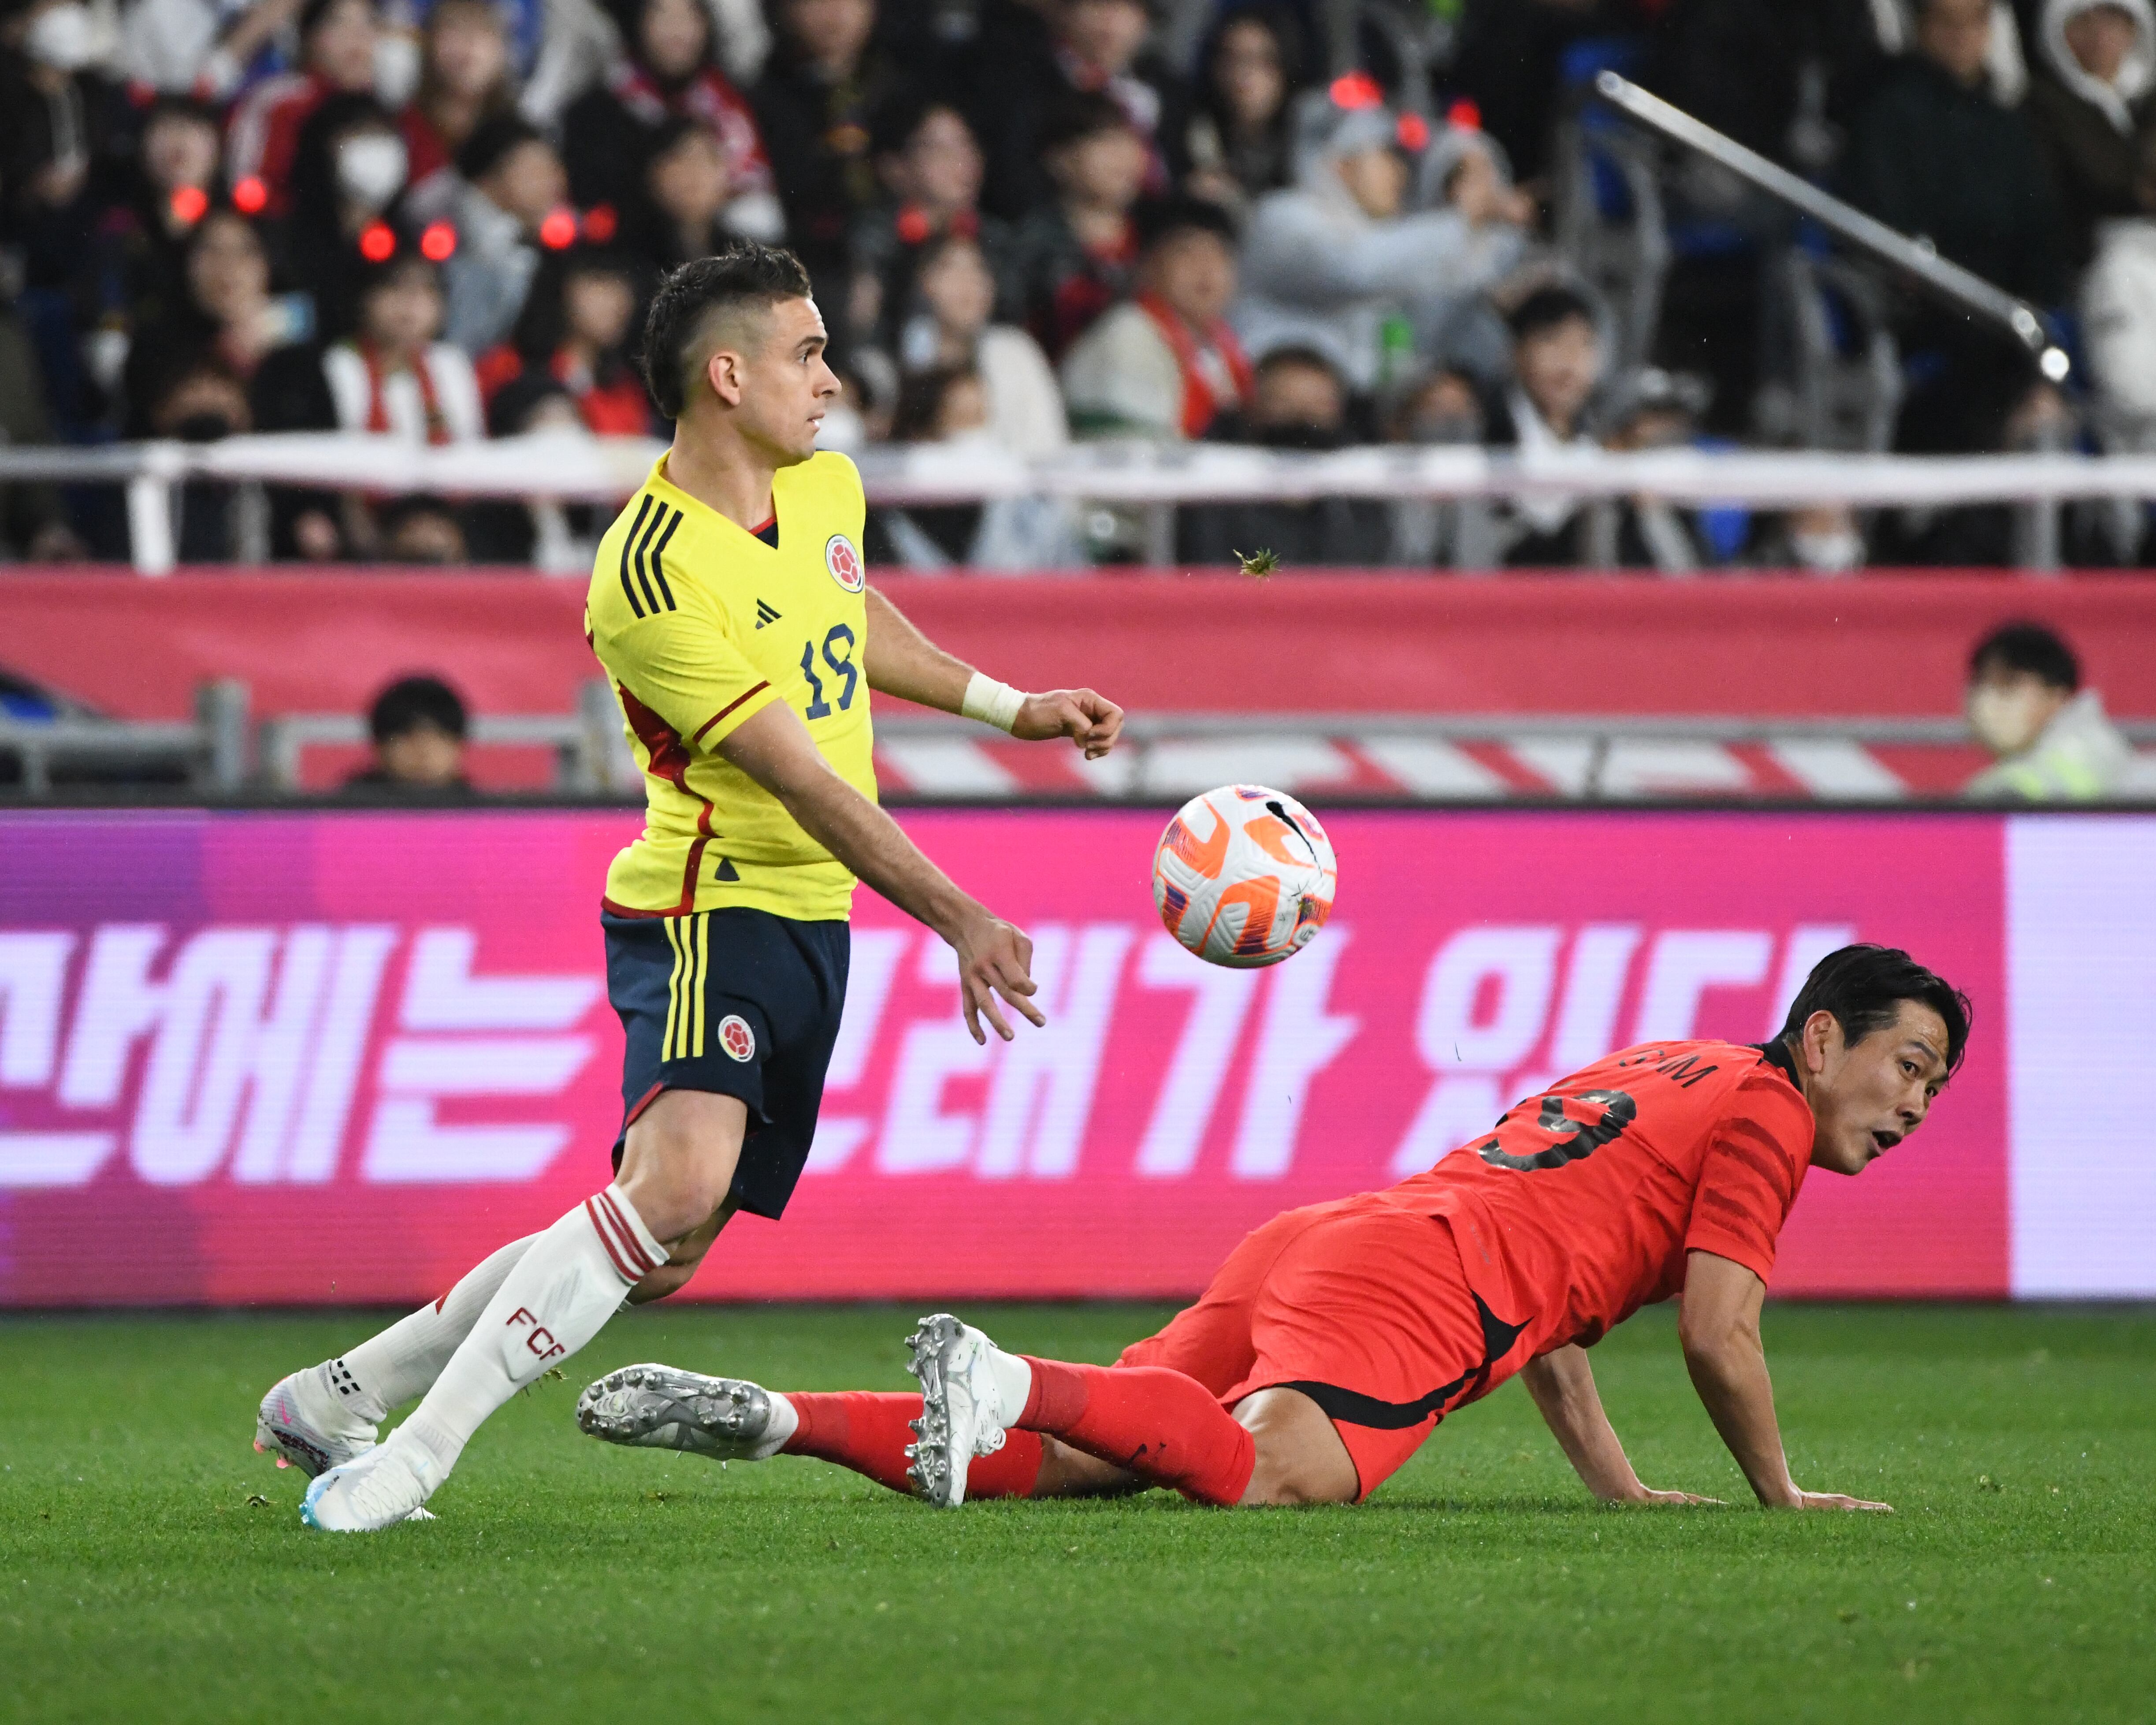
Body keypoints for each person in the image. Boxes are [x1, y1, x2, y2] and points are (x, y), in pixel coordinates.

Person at [259, 240, 1127, 1530]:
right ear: (728, 374)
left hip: (811, 919)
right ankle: (412, 1454)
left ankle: (336, 1391)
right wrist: (961, 914)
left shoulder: (822, 488)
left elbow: (848, 609)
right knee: (666, 1190)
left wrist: (1009, 703)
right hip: (709, 900)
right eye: (809, 352)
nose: (832, 378)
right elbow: (802, 783)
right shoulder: (650, 573)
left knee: (656, 1247)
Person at [579, 944, 1968, 1515]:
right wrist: (1775, 1495)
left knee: (1092, 1454)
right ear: (1823, 1032)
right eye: (1907, 1066)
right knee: (1264, 1474)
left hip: (1334, 1235)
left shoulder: (1669, 1062)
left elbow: (1560, 1317)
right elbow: (1720, 1332)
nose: (1912, 1103)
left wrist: (1614, 1483)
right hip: (1422, 1287)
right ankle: (996, 1372)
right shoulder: (1766, 1113)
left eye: (1936, 1088)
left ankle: (771, 1414)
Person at [1234, 87, 1528, 393]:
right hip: (1271, 403)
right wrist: (1465, 217)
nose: (1399, 174)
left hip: (1350, 408)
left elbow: (1439, 288)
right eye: (1384, 157)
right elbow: (1355, 268)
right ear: (1342, 165)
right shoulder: (1284, 218)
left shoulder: (1381, 237)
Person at [561, 0, 781, 244]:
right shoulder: (595, 114)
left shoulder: (737, 102)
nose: (677, 31)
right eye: (661, 15)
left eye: (690, 15)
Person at [1178, 344, 1390, 565]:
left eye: (1318, 405)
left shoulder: (1361, 492)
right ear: (1255, 409)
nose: (1303, 418)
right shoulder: (1215, 489)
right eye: (1284, 403)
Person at [1060, 196, 1250, 440]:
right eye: (1186, 252)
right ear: (1148, 267)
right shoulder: (1126, 336)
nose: (1206, 268)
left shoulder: (1222, 344)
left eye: (1219, 254)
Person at [894, 234, 1065, 456]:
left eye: (978, 270)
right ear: (925, 282)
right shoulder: (905, 353)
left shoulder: (1015, 353)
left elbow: (1048, 444)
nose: (969, 283)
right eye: (952, 270)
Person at [1011, 93, 1150, 359]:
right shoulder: (1031, 246)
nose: (1122, 155)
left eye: (1128, 139)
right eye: (1103, 140)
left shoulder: (1157, 237)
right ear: (1059, 159)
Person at [1483, 282, 1605, 566]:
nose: (1569, 360)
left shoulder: (1607, 436)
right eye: (1552, 341)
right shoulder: (1485, 428)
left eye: (1584, 344)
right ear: (1516, 352)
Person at [225, 0, 384, 216]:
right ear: (309, 36)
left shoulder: (392, 109)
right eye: (339, 22)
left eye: (368, 23)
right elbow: (247, 186)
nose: (356, 36)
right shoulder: (278, 101)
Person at [1963, 619, 2153, 798]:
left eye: (2008, 688)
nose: (1989, 703)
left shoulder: (2081, 754)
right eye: (1980, 686)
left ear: (2058, 696)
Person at [441, 115, 572, 354]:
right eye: (536, 171)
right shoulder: (448, 231)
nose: (555, 184)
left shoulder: (523, 241)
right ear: (488, 176)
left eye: (554, 170)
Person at [1177, 6, 1306, 219]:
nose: (1244, 75)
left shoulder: (1306, 135)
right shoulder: (1195, 135)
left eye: (1262, 61)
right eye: (1232, 59)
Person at [344, 673, 474, 790]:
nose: (424, 752)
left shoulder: (481, 811)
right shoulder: (343, 811)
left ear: (459, 746)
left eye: (440, 737)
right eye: (408, 737)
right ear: (380, 745)